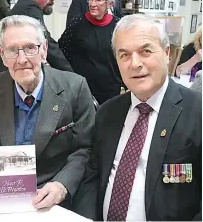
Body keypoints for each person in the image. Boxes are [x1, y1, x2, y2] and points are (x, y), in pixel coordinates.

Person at [72, 14, 202, 221]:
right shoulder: (107, 113)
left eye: (146, 51)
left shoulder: (198, 112)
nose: (135, 63)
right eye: (124, 55)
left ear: (166, 53)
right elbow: (92, 176)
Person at [0, 15, 95, 211]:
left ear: (44, 50)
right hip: (0, 199)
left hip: (55, 202)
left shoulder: (75, 87)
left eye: (30, 48)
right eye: (13, 50)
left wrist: (62, 185)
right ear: (2, 55)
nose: (22, 60)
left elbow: (86, 149)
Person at [0, 0, 73, 78]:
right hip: (0, 78)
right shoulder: (30, 8)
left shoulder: (25, 5)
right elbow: (48, 44)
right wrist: (71, 76)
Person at [59, 0, 123, 105]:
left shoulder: (118, 26)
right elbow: (62, 50)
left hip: (110, 89)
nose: (93, 4)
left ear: (110, 4)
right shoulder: (77, 23)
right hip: (83, 88)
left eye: (98, 0)